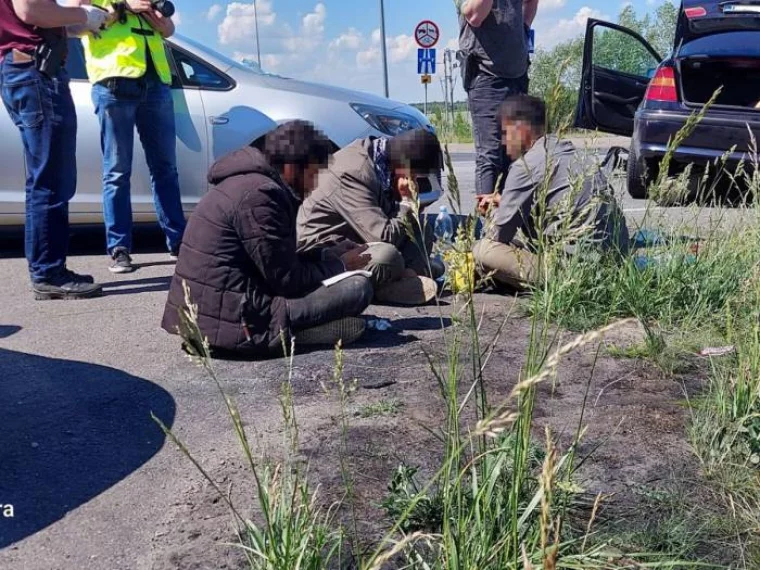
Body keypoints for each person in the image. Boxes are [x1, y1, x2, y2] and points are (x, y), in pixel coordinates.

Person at [162, 121, 374, 358]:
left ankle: (295, 328)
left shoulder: (246, 184)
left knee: (343, 285)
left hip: (213, 316)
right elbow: (287, 280)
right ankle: (292, 334)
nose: (314, 186)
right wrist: (342, 266)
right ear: (293, 168)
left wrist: (327, 254)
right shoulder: (260, 195)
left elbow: (274, 259)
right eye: (314, 175)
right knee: (358, 288)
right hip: (237, 326)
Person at [1, 0, 107, 300]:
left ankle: (48, 269)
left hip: (29, 68)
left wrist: (77, 18)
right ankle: (48, 272)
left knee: (47, 177)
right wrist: (83, 14)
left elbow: (36, 17)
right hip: (36, 71)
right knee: (50, 178)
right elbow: (31, 10)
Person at [74, 0, 186, 274]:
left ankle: (179, 243)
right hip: (114, 84)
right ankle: (119, 248)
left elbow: (168, 30)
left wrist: (159, 19)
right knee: (117, 171)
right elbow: (76, 24)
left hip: (155, 83)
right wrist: (123, 6)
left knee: (166, 170)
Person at [473, 95, 630, 290]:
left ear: (520, 129)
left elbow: (497, 235)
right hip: (616, 267)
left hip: (575, 274)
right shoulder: (572, 153)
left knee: (482, 250)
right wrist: (505, 201)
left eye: (505, 133)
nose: (504, 142)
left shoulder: (526, 166)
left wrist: (491, 212)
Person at [297, 128, 444, 306]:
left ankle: (401, 279)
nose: (416, 180)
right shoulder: (354, 172)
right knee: (387, 257)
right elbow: (383, 237)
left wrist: (401, 201)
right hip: (325, 249)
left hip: (356, 235)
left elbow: (387, 219)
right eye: (416, 175)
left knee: (422, 228)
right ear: (404, 167)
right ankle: (391, 283)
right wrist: (406, 201)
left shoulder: (382, 161)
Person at [457, 0, 538, 197]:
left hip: (517, 74)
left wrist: (524, 29)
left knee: (519, 155)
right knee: (491, 156)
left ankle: (518, 221)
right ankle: (492, 226)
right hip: (486, 77)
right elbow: (475, 16)